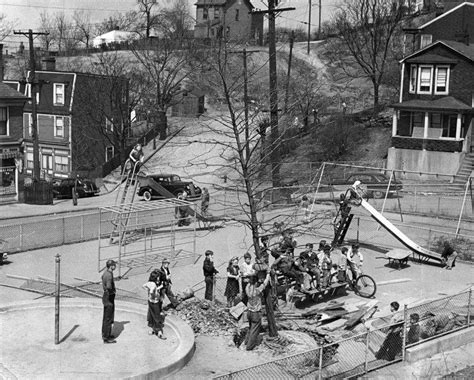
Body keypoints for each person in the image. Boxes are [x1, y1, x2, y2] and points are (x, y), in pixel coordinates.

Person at [245, 271, 271, 350]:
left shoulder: (247, 287)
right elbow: (265, 283)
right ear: (256, 282)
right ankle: (249, 347)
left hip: (249, 311)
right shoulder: (257, 290)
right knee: (255, 331)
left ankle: (246, 341)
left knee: (250, 328)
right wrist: (268, 274)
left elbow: (250, 282)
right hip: (256, 313)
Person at [143, 270, 166, 339]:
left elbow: (144, 286)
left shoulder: (150, 283)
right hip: (155, 302)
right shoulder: (153, 284)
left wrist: (159, 287)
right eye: (157, 278)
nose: (158, 279)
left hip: (150, 301)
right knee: (156, 316)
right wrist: (152, 293)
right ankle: (159, 332)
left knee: (152, 315)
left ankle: (153, 329)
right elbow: (152, 290)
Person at [102, 259, 117, 344]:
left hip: (107, 296)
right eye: (114, 265)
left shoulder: (106, 273)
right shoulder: (109, 275)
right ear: (111, 266)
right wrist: (112, 291)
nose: (115, 266)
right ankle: (106, 338)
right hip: (109, 297)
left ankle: (107, 334)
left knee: (108, 317)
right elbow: (108, 286)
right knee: (108, 318)